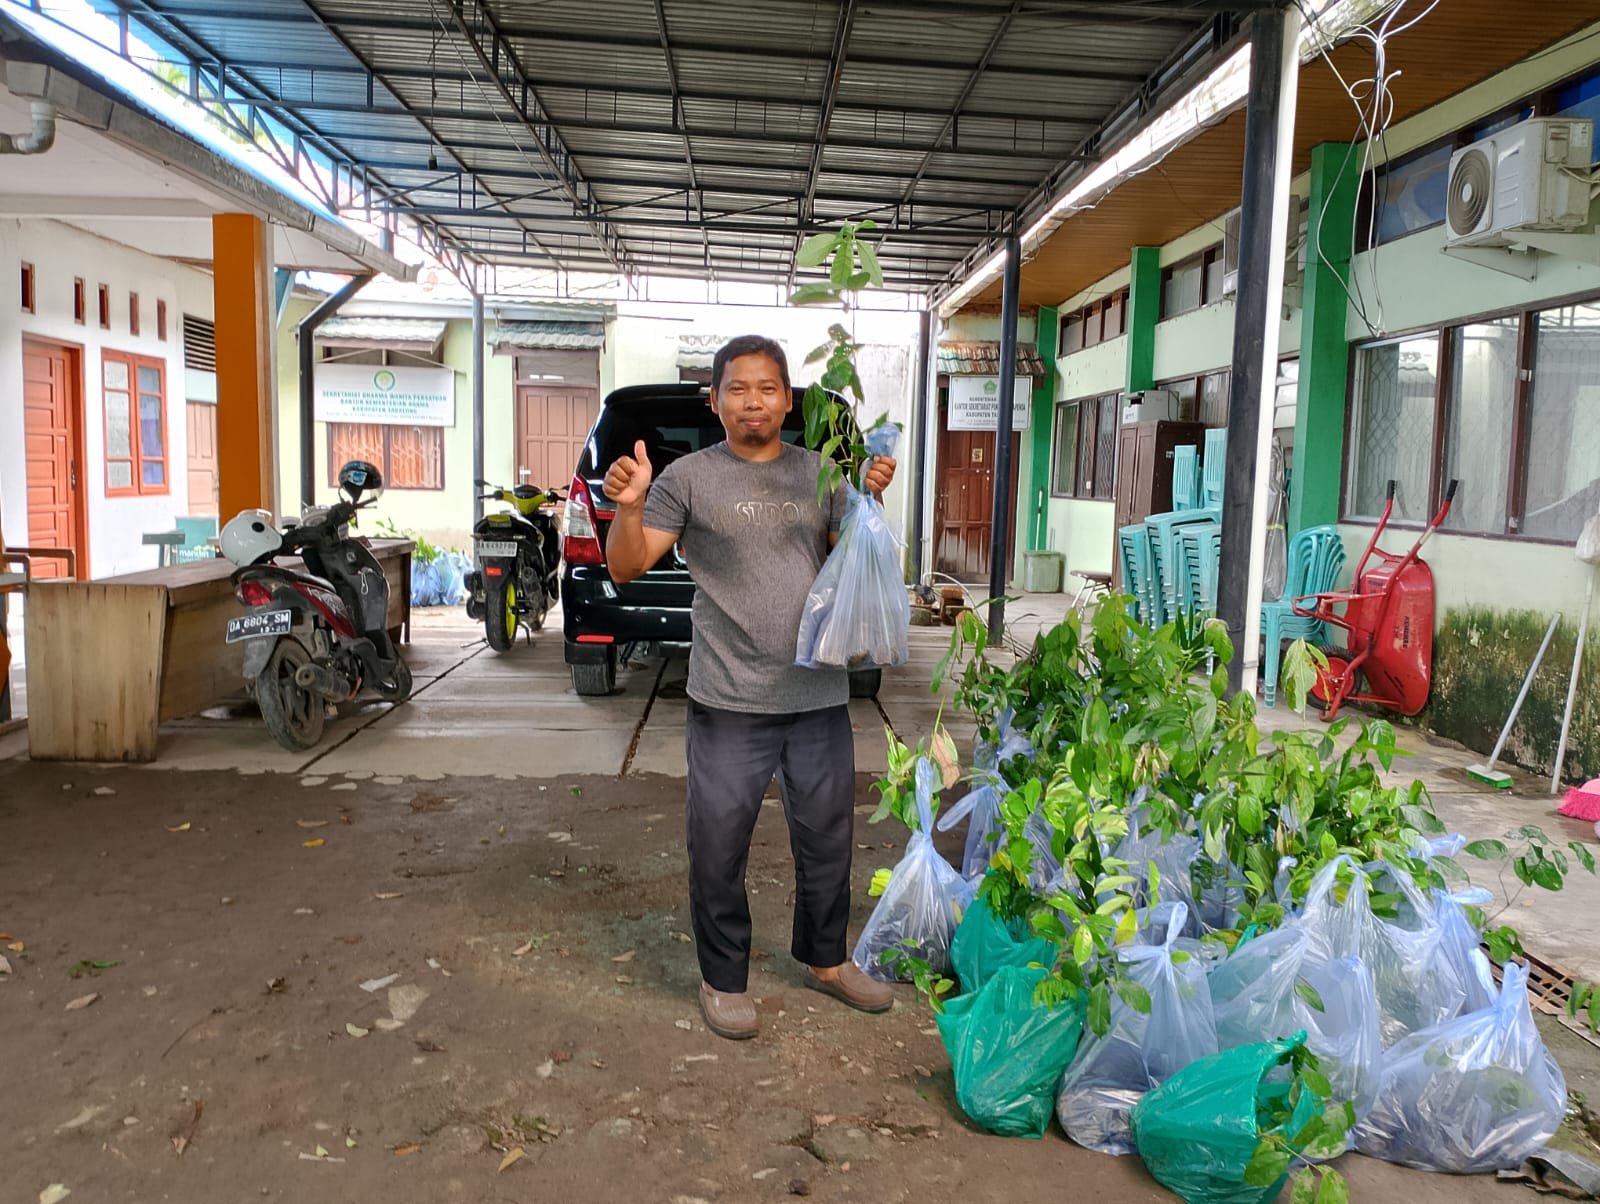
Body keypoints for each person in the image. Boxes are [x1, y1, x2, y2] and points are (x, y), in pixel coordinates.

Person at [603, 334, 897, 1040]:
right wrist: (631, 506)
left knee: (828, 841)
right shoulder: (688, 479)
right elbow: (625, 566)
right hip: (729, 698)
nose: (753, 401)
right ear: (715, 401)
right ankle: (723, 977)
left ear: (787, 400)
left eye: (767, 388)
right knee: (718, 846)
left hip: (816, 695)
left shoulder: (822, 473)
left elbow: (847, 561)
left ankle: (827, 959)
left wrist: (867, 502)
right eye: (737, 388)